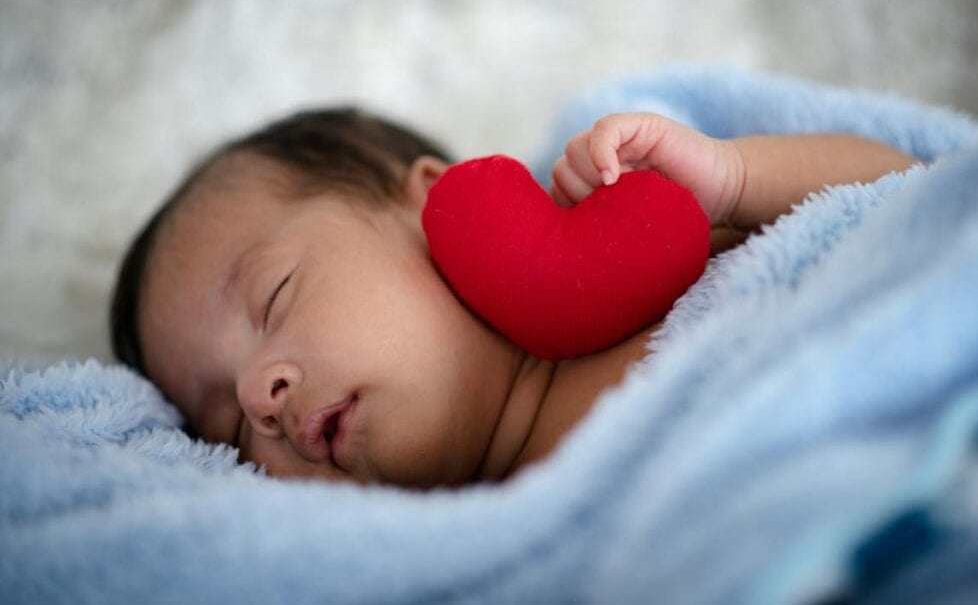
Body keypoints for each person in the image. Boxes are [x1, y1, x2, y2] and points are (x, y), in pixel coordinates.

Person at [109, 108, 918, 488]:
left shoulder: (669, 258)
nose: (259, 398)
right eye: (225, 429)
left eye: (274, 295)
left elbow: (911, 202)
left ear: (427, 207)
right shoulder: (477, 541)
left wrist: (737, 181)